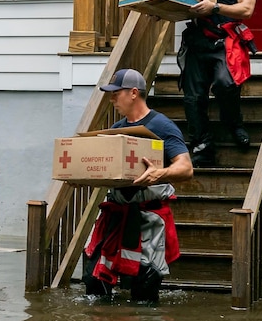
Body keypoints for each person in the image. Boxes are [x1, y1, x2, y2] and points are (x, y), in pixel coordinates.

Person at [82, 68, 195, 302]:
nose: (112, 99)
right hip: (115, 214)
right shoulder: (117, 131)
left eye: (116, 94)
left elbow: (186, 168)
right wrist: (81, 177)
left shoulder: (162, 126)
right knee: (94, 280)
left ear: (134, 93)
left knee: (144, 287)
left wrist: (159, 174)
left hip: (148, 216)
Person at [180, 0, 258, 167]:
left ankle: (233, 123)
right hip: (197, 39)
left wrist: (215, 7)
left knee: (226, 83)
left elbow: (246, 9)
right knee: (193, 97)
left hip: (225, 40)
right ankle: (202, 146)